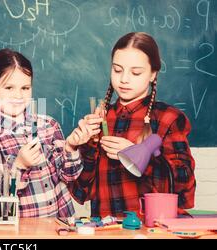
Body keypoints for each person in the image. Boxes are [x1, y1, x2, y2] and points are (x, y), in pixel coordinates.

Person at [68, 32, 196, 217]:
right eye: (117, 70)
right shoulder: (101, 119)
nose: (124, 79)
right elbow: (82, 192)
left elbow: (184, 187)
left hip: (155, 230)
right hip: (108, 230)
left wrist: (139, 156)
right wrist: (79, 147)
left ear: (153, 74)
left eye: (136, 72)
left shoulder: (168, 118)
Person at [0, 48, 94, 217]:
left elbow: (69, 176)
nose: (18, 95)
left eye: (25, 88)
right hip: (22, 232)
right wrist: (20, 165)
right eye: (9, 87)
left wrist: (70, 147)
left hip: (61, 226)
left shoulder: (48, 125)